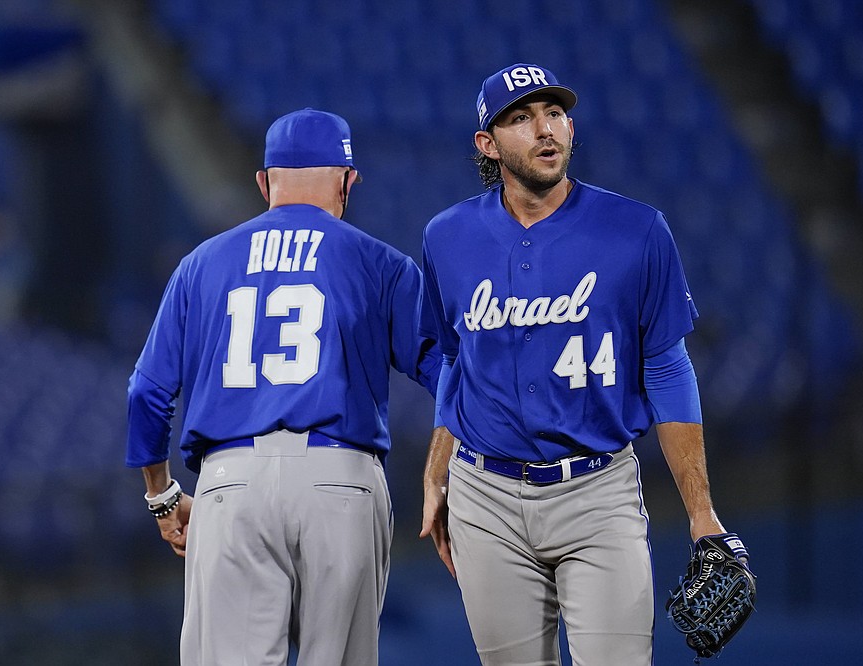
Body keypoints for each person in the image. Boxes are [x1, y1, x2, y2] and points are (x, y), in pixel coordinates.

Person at [418, 63, 741, 666]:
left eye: (555, 113)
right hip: (484, 496)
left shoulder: (637, 230)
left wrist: (702, 513)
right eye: (521, 118)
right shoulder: (446, 237)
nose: (545, 129)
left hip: (598, 491)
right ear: (487, 145)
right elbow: (457, 362)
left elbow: (668, 371)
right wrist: (437, 472)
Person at [126, 108, 439, 666]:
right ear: (346, 181)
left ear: (264, 182)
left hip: (230, 484)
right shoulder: (381, 263)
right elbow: (453, 377)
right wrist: (447, 471)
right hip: (340, 481)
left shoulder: (200, 266)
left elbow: (146, 395)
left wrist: (163, 495)